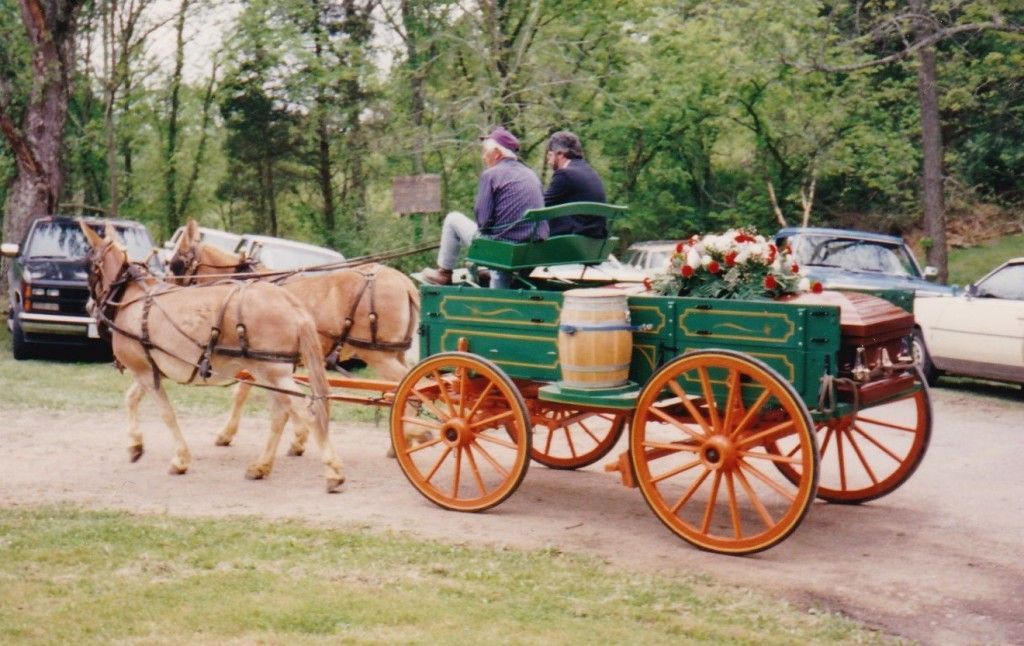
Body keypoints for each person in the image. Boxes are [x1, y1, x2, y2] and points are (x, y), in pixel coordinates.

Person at [422, 127, 545, 288]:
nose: (483, 156)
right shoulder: (531, 174)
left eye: (485, 151)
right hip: (531, 250)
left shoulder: (491, 175)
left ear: (496, 153)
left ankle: (444, 273)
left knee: (453, 219)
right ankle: (496, 272)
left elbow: (483, 222)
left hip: (502, 251)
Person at [543, 131, 608, 238]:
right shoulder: (590, 171)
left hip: (571, 238)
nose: (548, 160)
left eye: (550, 155)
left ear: (560, 154)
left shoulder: (564, 174)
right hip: (594, 237)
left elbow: (542, 205)